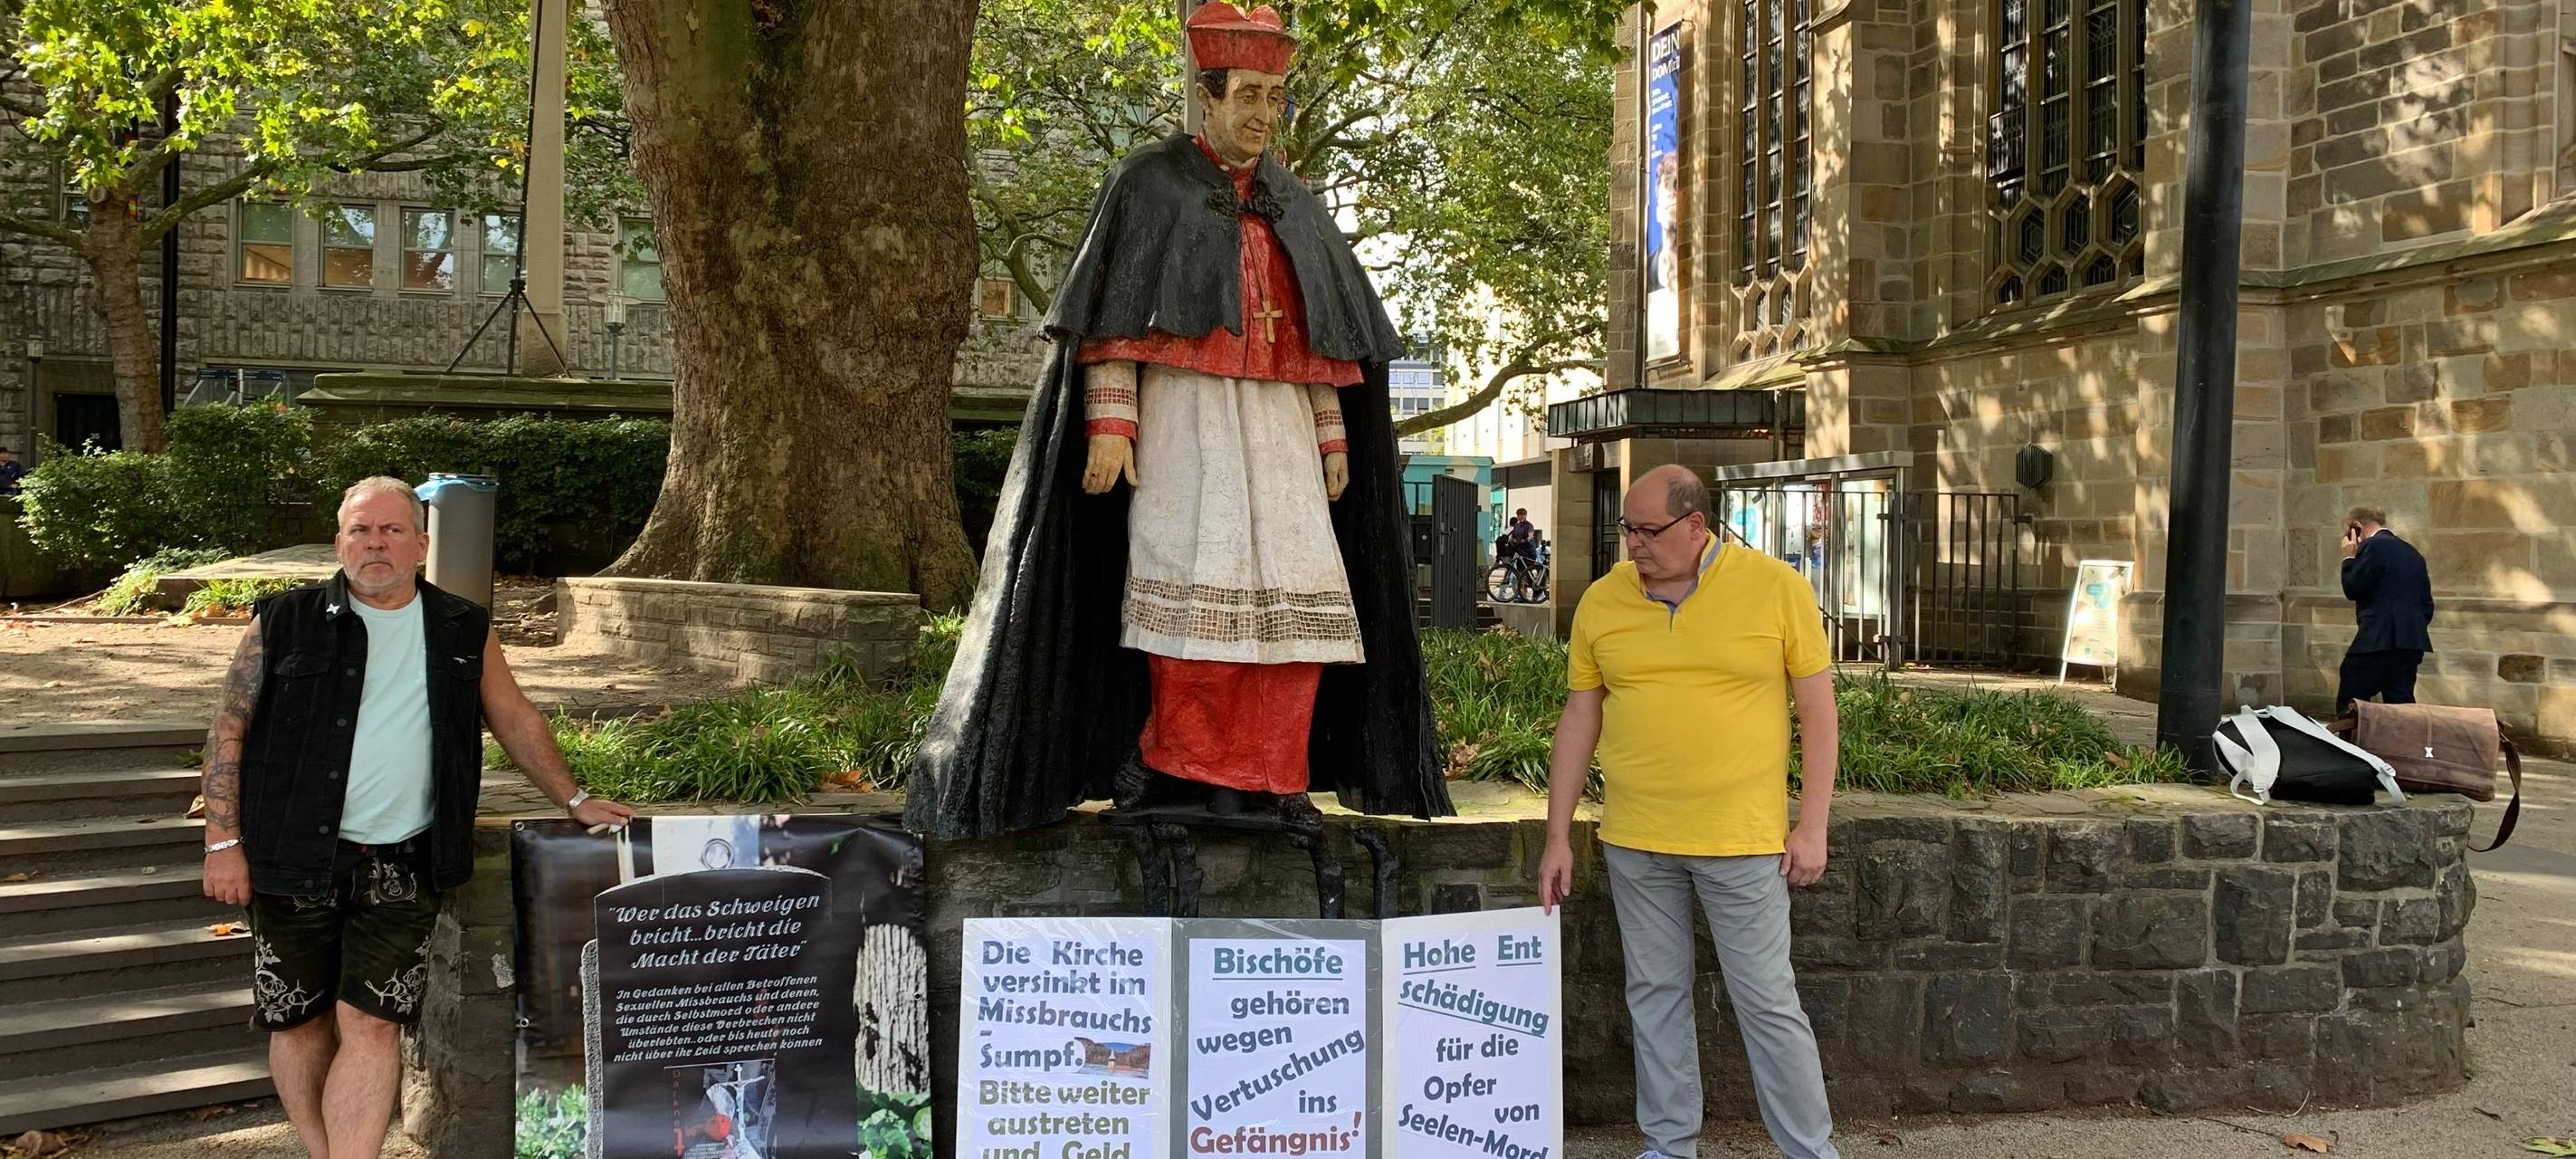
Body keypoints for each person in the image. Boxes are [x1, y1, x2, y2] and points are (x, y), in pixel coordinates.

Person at [908, 3, 1447, 838]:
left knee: (1301, 596)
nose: (1266, 114)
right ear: (1209, 95)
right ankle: (1184, 767)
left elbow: (1321, 330)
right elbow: (1113, 314)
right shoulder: (1147, 181)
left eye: (1278, 97)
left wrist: (1332, 431)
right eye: (1251, 96)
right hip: (1183, 419)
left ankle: (1273, 771)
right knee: (1191, 590)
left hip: (1281, 436)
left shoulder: (1292, 201)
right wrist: (1111, 420)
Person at [200, 476, 634, 1159]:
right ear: (340, 541)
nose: (375, 543)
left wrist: (572, 799)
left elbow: (513, 715)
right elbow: (229, 730)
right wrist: (223, 840)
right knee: (298, 1021)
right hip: (292, 854)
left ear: (421, 543)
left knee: (371, 1024)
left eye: (391, 530)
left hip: (406, 861)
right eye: (360, 530)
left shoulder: (463, 626)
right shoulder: (282, 620)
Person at [1538, 464, 1842, 1159]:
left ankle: (1811, 1152)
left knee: (1767, 1003)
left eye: (1647, 530)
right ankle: (1670, 1146)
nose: (1633, 544)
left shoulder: (1776, 589)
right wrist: (1559, 836)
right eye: (1627, 529)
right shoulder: (1604, 600)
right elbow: (1580, 718)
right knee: (1654, 995)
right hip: (1636, 839)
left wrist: (1813, 823)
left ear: (1696, 525)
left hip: (1740, 840)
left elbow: (1818, 713)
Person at [2338, 505, 2434, 713]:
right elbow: (2427, 604)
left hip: (2377, 641)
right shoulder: (2412, 552)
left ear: (2356, 527)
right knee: (2400, 707)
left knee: (2352, 701)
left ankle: (2349, 744)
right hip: (2410, 642)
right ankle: (2402, 745)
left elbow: (2353, 588)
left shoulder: (2372, 547)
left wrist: (2349, 557)